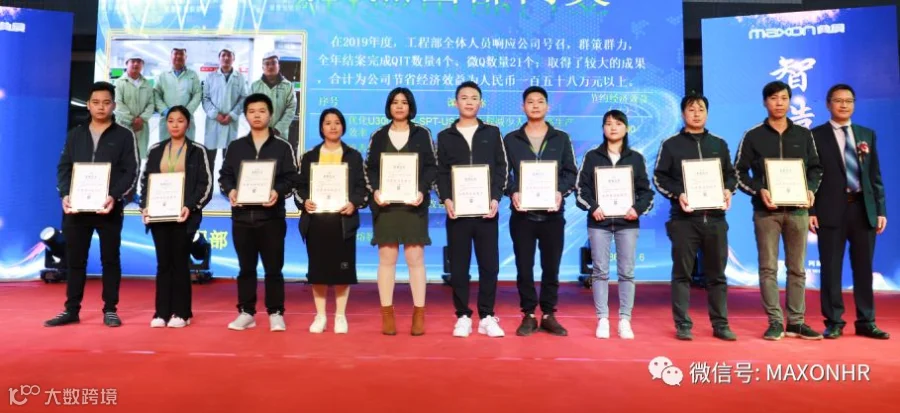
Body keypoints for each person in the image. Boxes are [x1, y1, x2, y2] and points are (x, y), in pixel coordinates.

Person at [735, 80, 824, 340]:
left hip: (798, 211)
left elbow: (816, 168)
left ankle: (796, 321)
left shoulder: (803, 135)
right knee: (768, 268)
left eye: (784, 98)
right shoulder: (753, 135)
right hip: (767, 212)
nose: (779, 103)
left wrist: (810, 190)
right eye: (774, 98)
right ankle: (775, 321)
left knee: (797, 269)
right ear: (765, 102)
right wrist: (759, 190)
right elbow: (738, 172)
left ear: (789, 101)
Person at [45, 81, 139, 327]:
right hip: (77, 208)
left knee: (110, 259)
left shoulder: (124, 135)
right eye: (96, 102)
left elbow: (131, 171)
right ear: (88, 105)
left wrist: (114, 196)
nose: (101, 107)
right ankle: (71, 310)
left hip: (109, 208)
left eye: (106, 102)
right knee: (75, 260)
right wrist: (65, 194)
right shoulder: (75, 134)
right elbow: (64, 167)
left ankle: (110, 309)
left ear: (114, 105)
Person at [653, 94, 737, 341]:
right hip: (684, 220)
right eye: (691, 109)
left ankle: (721, 324)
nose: (697, 113)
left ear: (707, 113)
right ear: (683, 114)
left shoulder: (718, 144)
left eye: (701, 109)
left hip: (715, 219)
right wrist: (679, 193)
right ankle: (683, 324)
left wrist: (728, 189)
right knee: (682, 274)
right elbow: (660, 177)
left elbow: (731, 175)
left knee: (717, 276)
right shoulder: (671, 144)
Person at [810, 84, 890, 340]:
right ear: (828, 104)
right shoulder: (815, 136)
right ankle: (834, 321)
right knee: (831, 268)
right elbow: (809, 177)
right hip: (830, 210)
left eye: (849, 100)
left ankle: (866, 320)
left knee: (864, 268)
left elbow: (875, 176)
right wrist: (811, 209)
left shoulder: (866, 134)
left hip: (862, 209)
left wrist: (880, 209)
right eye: (838, 100)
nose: (844, 105)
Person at [218, 93, 297, 332]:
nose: (257, 115)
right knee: (246, 269)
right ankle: (246, 312)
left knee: (273, 269)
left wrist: (277, 192)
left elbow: (291, 178)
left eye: (262, 111)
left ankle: (276, 312)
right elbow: (225, 176)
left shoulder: (282, 147)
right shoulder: (236, 147)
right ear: (245, 115)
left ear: (270, 115)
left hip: (271, 218)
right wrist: (231, 191)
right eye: (252, 111)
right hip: (242, 218)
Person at [503, 86, 577, 337]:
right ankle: (528, 314)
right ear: (522, 107)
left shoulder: (561, 138)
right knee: (524, 267)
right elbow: (503, 174)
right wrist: (513, 192)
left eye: (540, 101)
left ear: (547, 106)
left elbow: (571, 173)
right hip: (522, 216)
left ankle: (548, 313)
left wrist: (559, 192)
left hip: (552, 215)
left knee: (551, 267)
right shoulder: (511, 139)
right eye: (530, 101)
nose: (535, 105)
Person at [436, 81, 508, 338]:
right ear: (456, 102)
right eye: (464, 97)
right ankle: (463, 316)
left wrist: (496, 198)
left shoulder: (492, 132)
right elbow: (441, 172)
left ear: (481, 102)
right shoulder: (445, 136)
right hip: (457, 213)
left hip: (486, 212)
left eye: (474, 97)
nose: (469, 102)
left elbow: (501, 168)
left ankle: (487, 316)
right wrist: (446, 199)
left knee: (489, 266)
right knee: (459, 267)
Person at [576, 110, 654, 339]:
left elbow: (646, 192)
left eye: (618, 123)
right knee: (599, 271)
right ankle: (602, 319)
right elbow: (582, 190)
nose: (613, 127)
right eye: (608, 123)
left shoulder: (636, 158)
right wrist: (593, 207)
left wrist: (636, 209)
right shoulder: (592, 157)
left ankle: (624, 320)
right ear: (603, 128)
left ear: (626, 128)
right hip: (598, 222)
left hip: (627, 223)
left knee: (626, 272)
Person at [365, 88, 436, 336]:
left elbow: (431, 167)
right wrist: (375, 190)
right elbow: (370, 168)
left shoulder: (422, 133)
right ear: (389, 106)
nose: (399, 106)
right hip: (386, 207)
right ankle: (387, 314)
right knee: (387, 260)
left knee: (415, 259)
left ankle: (419, 313)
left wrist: (422, 190)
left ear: (411, 106)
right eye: (395, 102)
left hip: (413, 206)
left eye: (404, 102)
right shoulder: (378, 135)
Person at [296, 108, 369, 334]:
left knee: (342, 272)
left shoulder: (353, 156)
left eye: (337, 122)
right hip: (317, 222)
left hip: (343, 222)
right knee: (317, 271)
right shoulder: (309, 156)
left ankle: (340, 316)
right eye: (328, 123)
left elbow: (362, 187)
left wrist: (354, 203)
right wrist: (305, 201)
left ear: (343, 126)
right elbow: (299, 187)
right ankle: (320, 316)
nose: (333, 126)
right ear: (321, 128)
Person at [139, 106, 212, 328]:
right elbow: (146, 182)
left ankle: (182, 313)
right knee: (163, 264)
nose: (175, 125)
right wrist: (144, 207)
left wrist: (190, 206)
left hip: (184, 217)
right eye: (170, 121)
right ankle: (161, 312)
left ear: (188, 124)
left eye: (180, 121)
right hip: (159, 216)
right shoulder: (156, 150)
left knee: (180, 263)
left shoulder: (197, 151)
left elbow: (205, 184)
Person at [202, 47, 248, 169]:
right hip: (213, 122)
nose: (226, 58)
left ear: (233, 59)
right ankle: (209, 182)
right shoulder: (210, 77)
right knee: (209, 160)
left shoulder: (240, 77)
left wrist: (232, 115)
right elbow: (205, 98)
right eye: (223, 55)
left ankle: (226, 182)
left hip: (230, 123)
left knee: (229, 160)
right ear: (219, 58)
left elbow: (243, 98)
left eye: (229, 55)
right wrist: (215, 114)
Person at [250, 52, 297, 148]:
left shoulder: (288, 86)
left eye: (273, 63)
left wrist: (277, 129)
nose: (270, 66)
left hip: (281, 135)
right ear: (262, 67)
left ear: (278, 66)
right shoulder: (255, 86)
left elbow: (291, 108)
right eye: (267, 64)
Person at [154, 47, 202, 140]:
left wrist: (186, 112)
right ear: (171, 56)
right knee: (167, 146)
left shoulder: (192, 75)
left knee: (186, 146)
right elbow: (156, 94)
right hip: (167, 118)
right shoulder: (163, 76)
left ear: (186, 57)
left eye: (181, 54)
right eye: (176, 54)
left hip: (186, 119)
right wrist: (166, 111)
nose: (178, 56)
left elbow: (198, 94)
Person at [114, 53, 154, 160]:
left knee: (139, 156)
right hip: (124, 124)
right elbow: (117, 104)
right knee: (122, 156)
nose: (136, 64)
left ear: (142, 65)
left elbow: (151, 104)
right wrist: (132, 120)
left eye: (139, 61)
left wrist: (142, 119)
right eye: (133, 61)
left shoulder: (147, 84)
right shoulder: (119, 83)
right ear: (126, 63)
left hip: (142, 126)